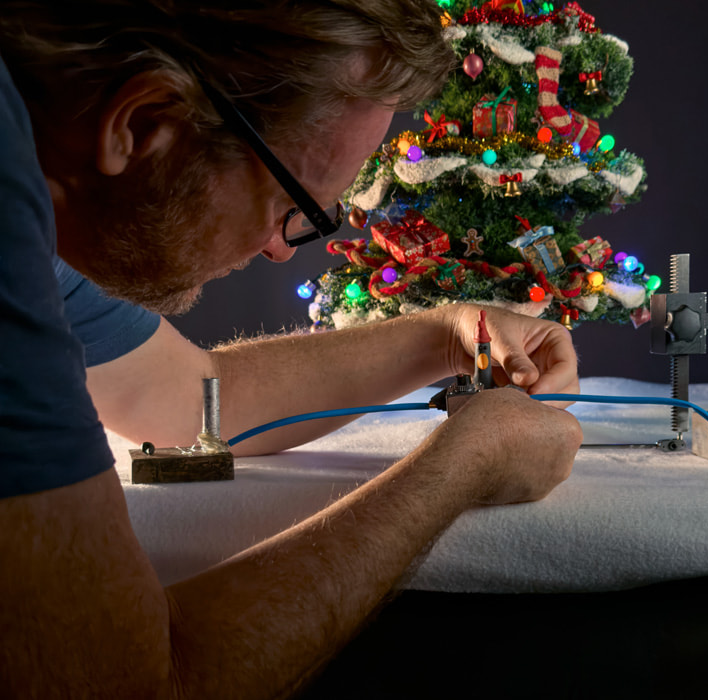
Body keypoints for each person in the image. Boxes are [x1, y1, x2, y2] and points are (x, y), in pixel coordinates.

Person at [0, 1, 582, 697]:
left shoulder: (41, 206)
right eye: (290, 207)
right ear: (142, 122)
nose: (279, 250)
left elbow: (194, 398)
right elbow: (133, 684)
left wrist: (445, 335)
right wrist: (465, 465)